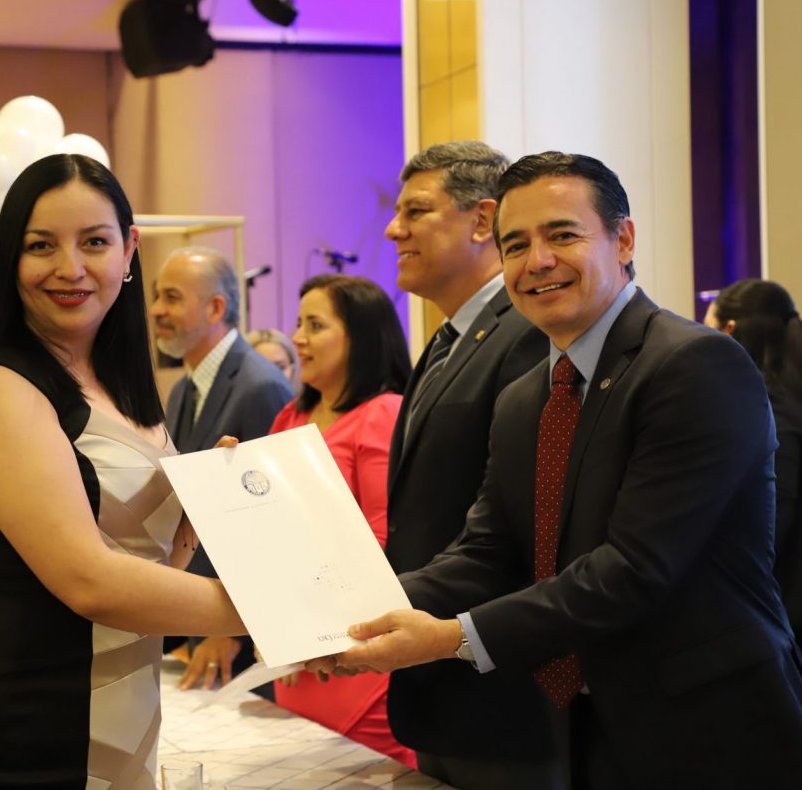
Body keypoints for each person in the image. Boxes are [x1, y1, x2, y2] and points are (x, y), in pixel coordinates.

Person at [312, 152, 802, 789]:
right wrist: (345, 615)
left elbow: (633, 569)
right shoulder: (525, 398)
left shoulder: (693, 365)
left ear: (623, 240)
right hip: (582, 729)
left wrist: (447, 638)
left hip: (713, 729)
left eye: (563, 235)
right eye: (516, 245)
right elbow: (485, 552)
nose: (538, 261)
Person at [0, 154, 245, 788]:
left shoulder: (124, 390)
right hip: (26, 724)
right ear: (10, 258)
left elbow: (142, 568)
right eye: (42, 245)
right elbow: (88, 581)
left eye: (94, 242)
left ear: (129, 250)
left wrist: (198, 518)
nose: (69, 268)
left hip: (124, 712)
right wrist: (277, 613)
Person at [382, 141, 557, 788]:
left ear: (483, 220)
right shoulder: (447, 338)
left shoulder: (528, 331)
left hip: (500, 691)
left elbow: (515, 529)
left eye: (415, 211)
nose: (393, 230)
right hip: (439, 685)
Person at [266, 273, 414, 765]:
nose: (298, 338)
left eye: (315, 325)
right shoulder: (290, 416)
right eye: (298, 323)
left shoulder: (383, 412)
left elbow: (380, 537)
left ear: (361, 337)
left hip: (351, 643)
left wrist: (309, 625)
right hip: (295, 644)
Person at [150, 247, 294, 690]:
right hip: (196, 616)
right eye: (157, 296)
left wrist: (229, 629)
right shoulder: (183, 390)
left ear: (215, 308)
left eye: (172, 297)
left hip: (240, 635)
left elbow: (270, 520)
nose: (156, 311)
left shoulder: (261, 386)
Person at [705, 278, 802, 658]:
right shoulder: (793, 400)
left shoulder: (767, 412)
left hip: (782, 612)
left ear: (729, 331)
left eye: (706, 328)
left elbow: (770, 525)